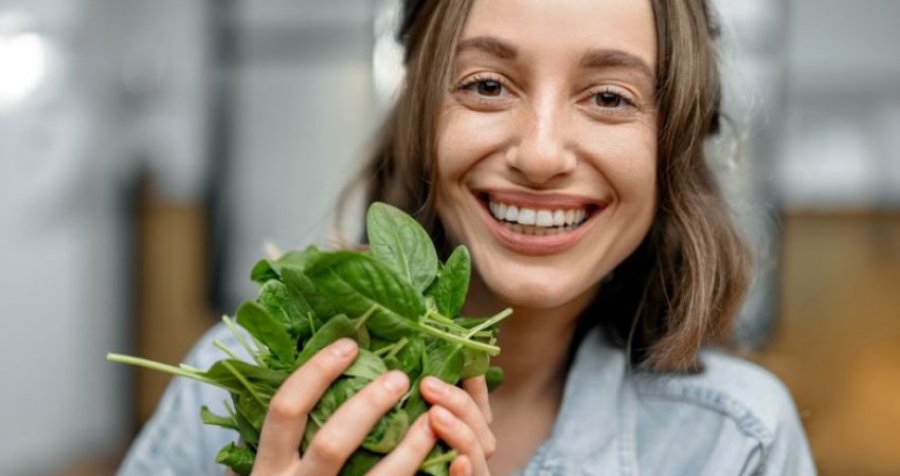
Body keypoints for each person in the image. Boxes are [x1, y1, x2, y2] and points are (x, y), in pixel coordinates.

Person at [119, 0, 817, 474]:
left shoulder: (735, 442)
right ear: (420, 119)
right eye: (486, 85)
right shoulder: (238, 381)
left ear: (672, 148)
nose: (541, 154)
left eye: (609, 97)